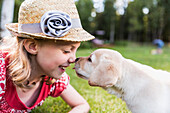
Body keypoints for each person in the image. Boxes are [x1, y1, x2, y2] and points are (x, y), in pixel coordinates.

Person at [0, 0, 95, 112]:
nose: (73, 59)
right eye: (66, 51)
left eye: (75, 50)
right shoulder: (2, 71)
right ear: (32, 46)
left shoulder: (51, 78)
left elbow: (82, 105)